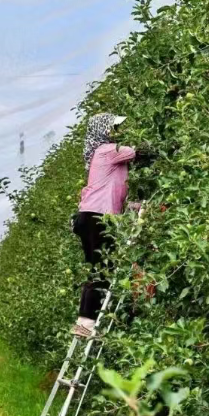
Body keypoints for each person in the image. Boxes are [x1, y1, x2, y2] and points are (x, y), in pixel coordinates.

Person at [70, 113, 154, 337]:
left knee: (98, 268)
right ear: (103, 130)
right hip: (97, 218)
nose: (117, 132)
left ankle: (84, 321)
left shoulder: (104, 155)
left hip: (91, 216)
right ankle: (86, 324)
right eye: (114, 127)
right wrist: (167, 147)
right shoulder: (108, 150)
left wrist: (134, 206)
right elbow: (139, 151)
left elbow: (113, 192)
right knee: (102, 268)